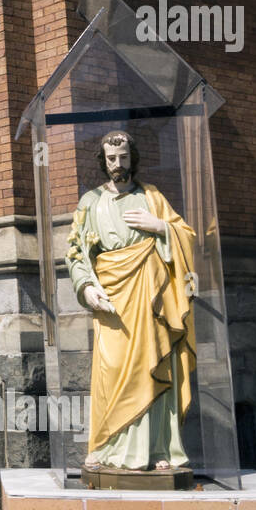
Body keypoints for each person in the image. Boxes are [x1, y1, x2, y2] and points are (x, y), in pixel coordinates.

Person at [67, 131, 196, 473]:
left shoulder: (152, 197)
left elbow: (189, 237)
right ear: (103, 161)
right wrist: (85, 287)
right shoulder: (90, 201)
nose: (117, 164)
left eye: (123, 157)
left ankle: (156, 450)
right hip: (110, 297)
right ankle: (107, 445)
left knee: (151, 364)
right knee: (111, 370)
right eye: (111, 158)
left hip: (150, 296)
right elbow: (76, 251)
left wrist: (162, 227)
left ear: (132, 158)